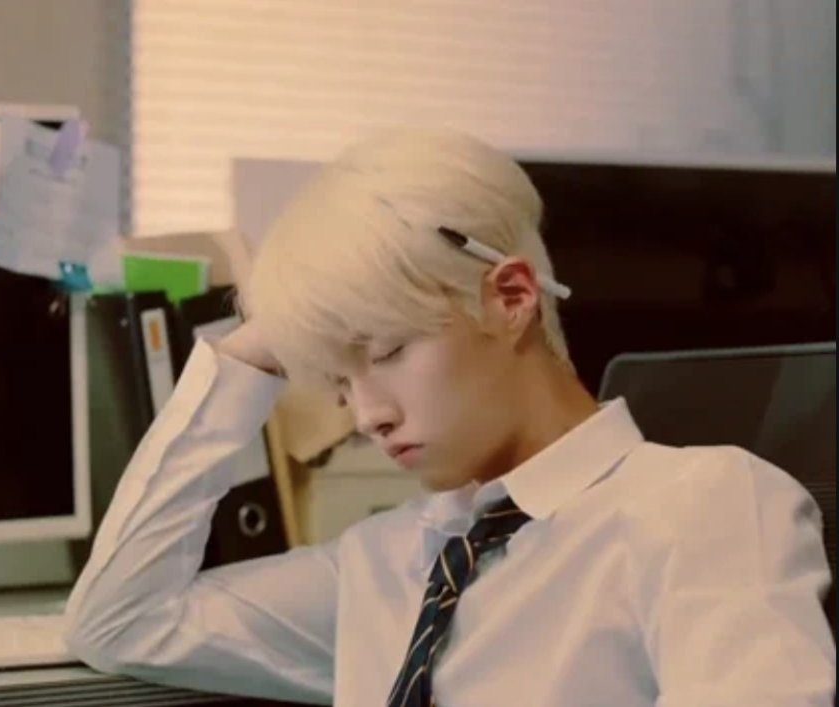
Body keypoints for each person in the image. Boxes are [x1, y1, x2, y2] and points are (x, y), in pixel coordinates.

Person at [63, 129, 835, 706]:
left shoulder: (702, 506)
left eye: (389, 350)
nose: (367, 413)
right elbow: (120, 620)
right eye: (339, 380)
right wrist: (252, 351)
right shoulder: (393, 560)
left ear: (510, 297)